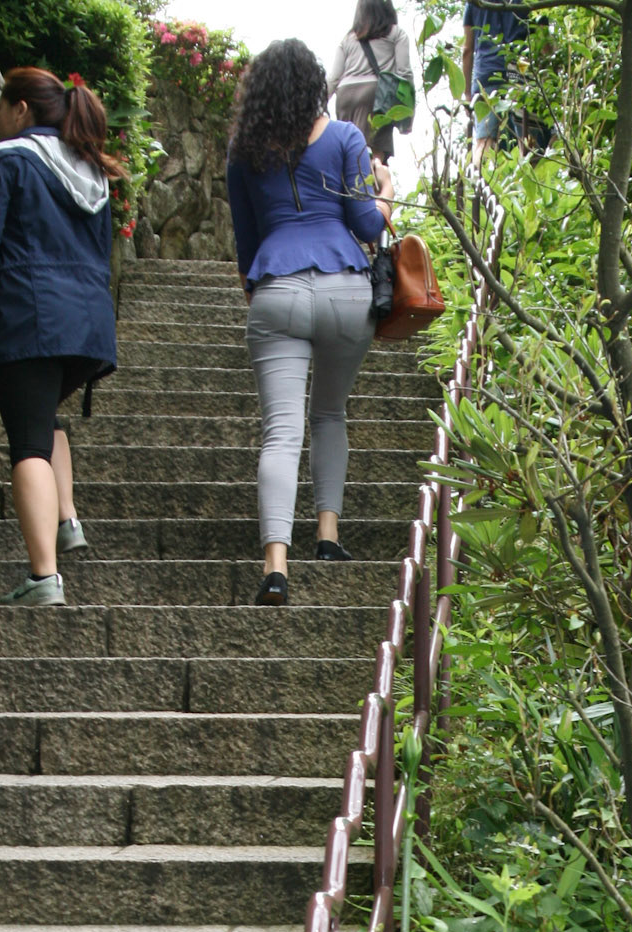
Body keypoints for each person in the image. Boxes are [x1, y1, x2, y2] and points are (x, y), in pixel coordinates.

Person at [0, 67, 119, 606]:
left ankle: (44, 578)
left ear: (20, 110)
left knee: (28, 444)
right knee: (45, 418)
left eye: (0, 107)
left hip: (30, 316)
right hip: (87, 324)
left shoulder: (9, 158)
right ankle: (66, 520)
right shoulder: (91, 172)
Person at [227, 39, 393, 608]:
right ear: (315, 83)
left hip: (278, 290)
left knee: (281, 431)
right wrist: (388, 196)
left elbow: (247, 246)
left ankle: (275, 566)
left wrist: (263, 292)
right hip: (347, 290)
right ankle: (327, 536)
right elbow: (367, 225)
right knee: (328, 412)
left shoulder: (244, 152)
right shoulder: (347, 138)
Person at [327, 1, 413, 164]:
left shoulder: (348, 38)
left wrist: (316, 106)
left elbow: (333, 78)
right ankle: (373, 187)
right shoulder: (396, 33)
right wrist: (407, 115)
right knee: (375, 158)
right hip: (375, 96)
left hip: (345, 96)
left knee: (348, 154)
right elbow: (404, 73)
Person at [462, 3, 530, 164]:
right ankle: (525, 182)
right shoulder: (524, 2)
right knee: (524, 137)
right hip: (518, 72)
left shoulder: (474, 3)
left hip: (486, 74)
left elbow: (467, 49)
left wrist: (466, 93)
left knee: (484, 139)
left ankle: (481, 183)